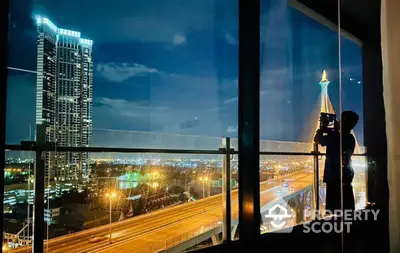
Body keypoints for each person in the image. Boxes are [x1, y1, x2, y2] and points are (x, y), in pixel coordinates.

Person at [314, 110, 359, 212]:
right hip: (346, 176)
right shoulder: (351, 138)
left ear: (344, 123)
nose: (337, 122)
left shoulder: (335, 137)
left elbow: (317, 139)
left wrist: (323, 127)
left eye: (339, 120)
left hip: (334, 177)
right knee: (347, 207)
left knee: (333, 210)